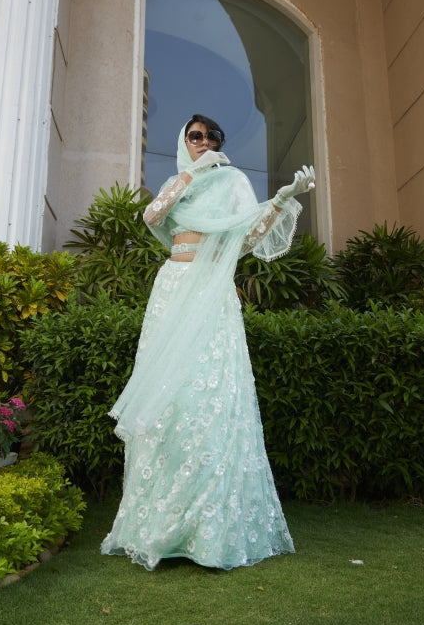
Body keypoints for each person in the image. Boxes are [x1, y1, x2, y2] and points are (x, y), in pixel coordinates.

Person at [101, 114, 316, 571]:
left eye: (211, 137)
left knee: (212, 397)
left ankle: (210, 533)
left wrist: (280, 201)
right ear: (185, 141)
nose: (204, 142)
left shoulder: (234, 182)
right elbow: (152, 215)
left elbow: (247, 238)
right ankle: (157, 527)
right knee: (168, 399)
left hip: (211, 292)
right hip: (172, 288)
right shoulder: (179, 182)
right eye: (195, 136)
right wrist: (193, 171)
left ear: (220, 141)